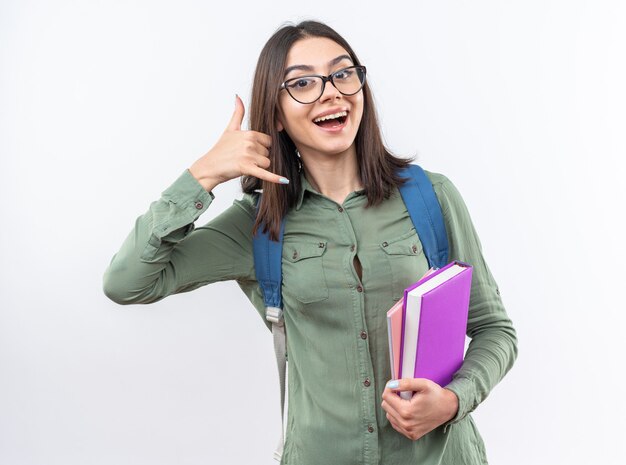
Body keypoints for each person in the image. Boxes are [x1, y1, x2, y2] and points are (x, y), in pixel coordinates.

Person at [103, 20, 518, 465]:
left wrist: (453, 400)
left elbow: (495, 330)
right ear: (276, 115)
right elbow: (127, 283)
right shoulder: (260, 224)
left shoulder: (430, 198)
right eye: (303, 82)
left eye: (343, 74)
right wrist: (201, 176)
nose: (330, 92)